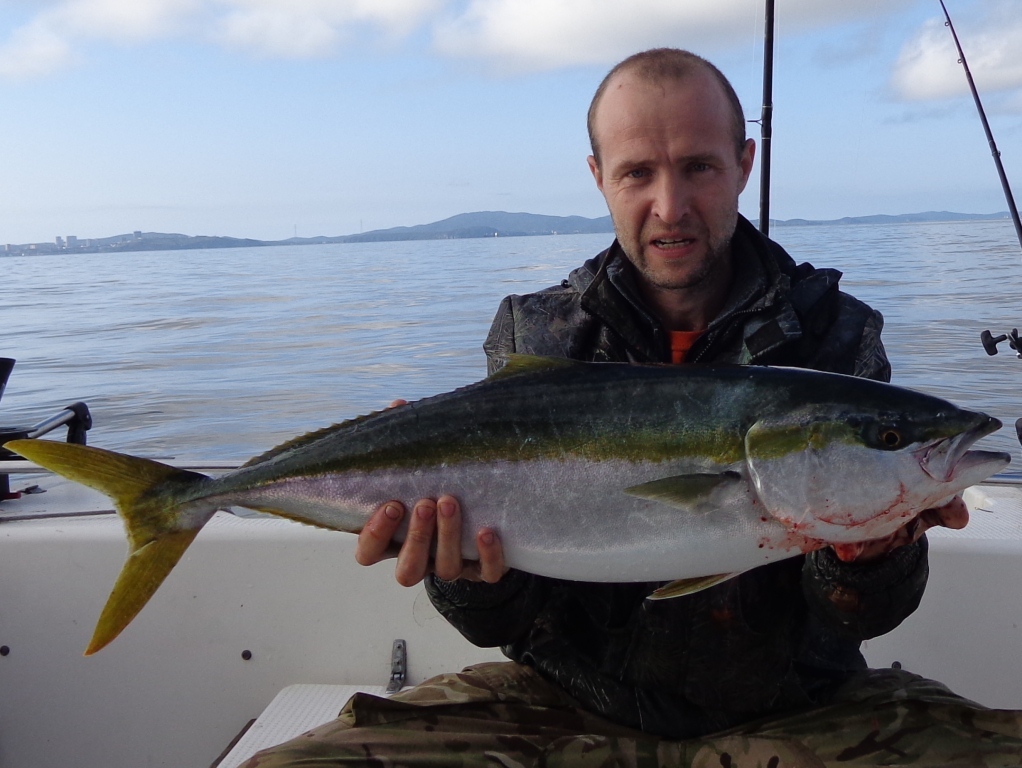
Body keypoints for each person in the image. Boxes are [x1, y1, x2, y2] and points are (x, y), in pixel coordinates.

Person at [244, 48, 1022, 767]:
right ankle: (198, 496)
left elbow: (862, 617)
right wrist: (465, 575)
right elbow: (500, 621)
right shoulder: (538, 331)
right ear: (598, 177)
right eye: (637, 173)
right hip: (561, 710)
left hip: (801, 712)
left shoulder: (834, 334)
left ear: (745, 164)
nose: (669, 205)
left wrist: (871, 560)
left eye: (699, 167)